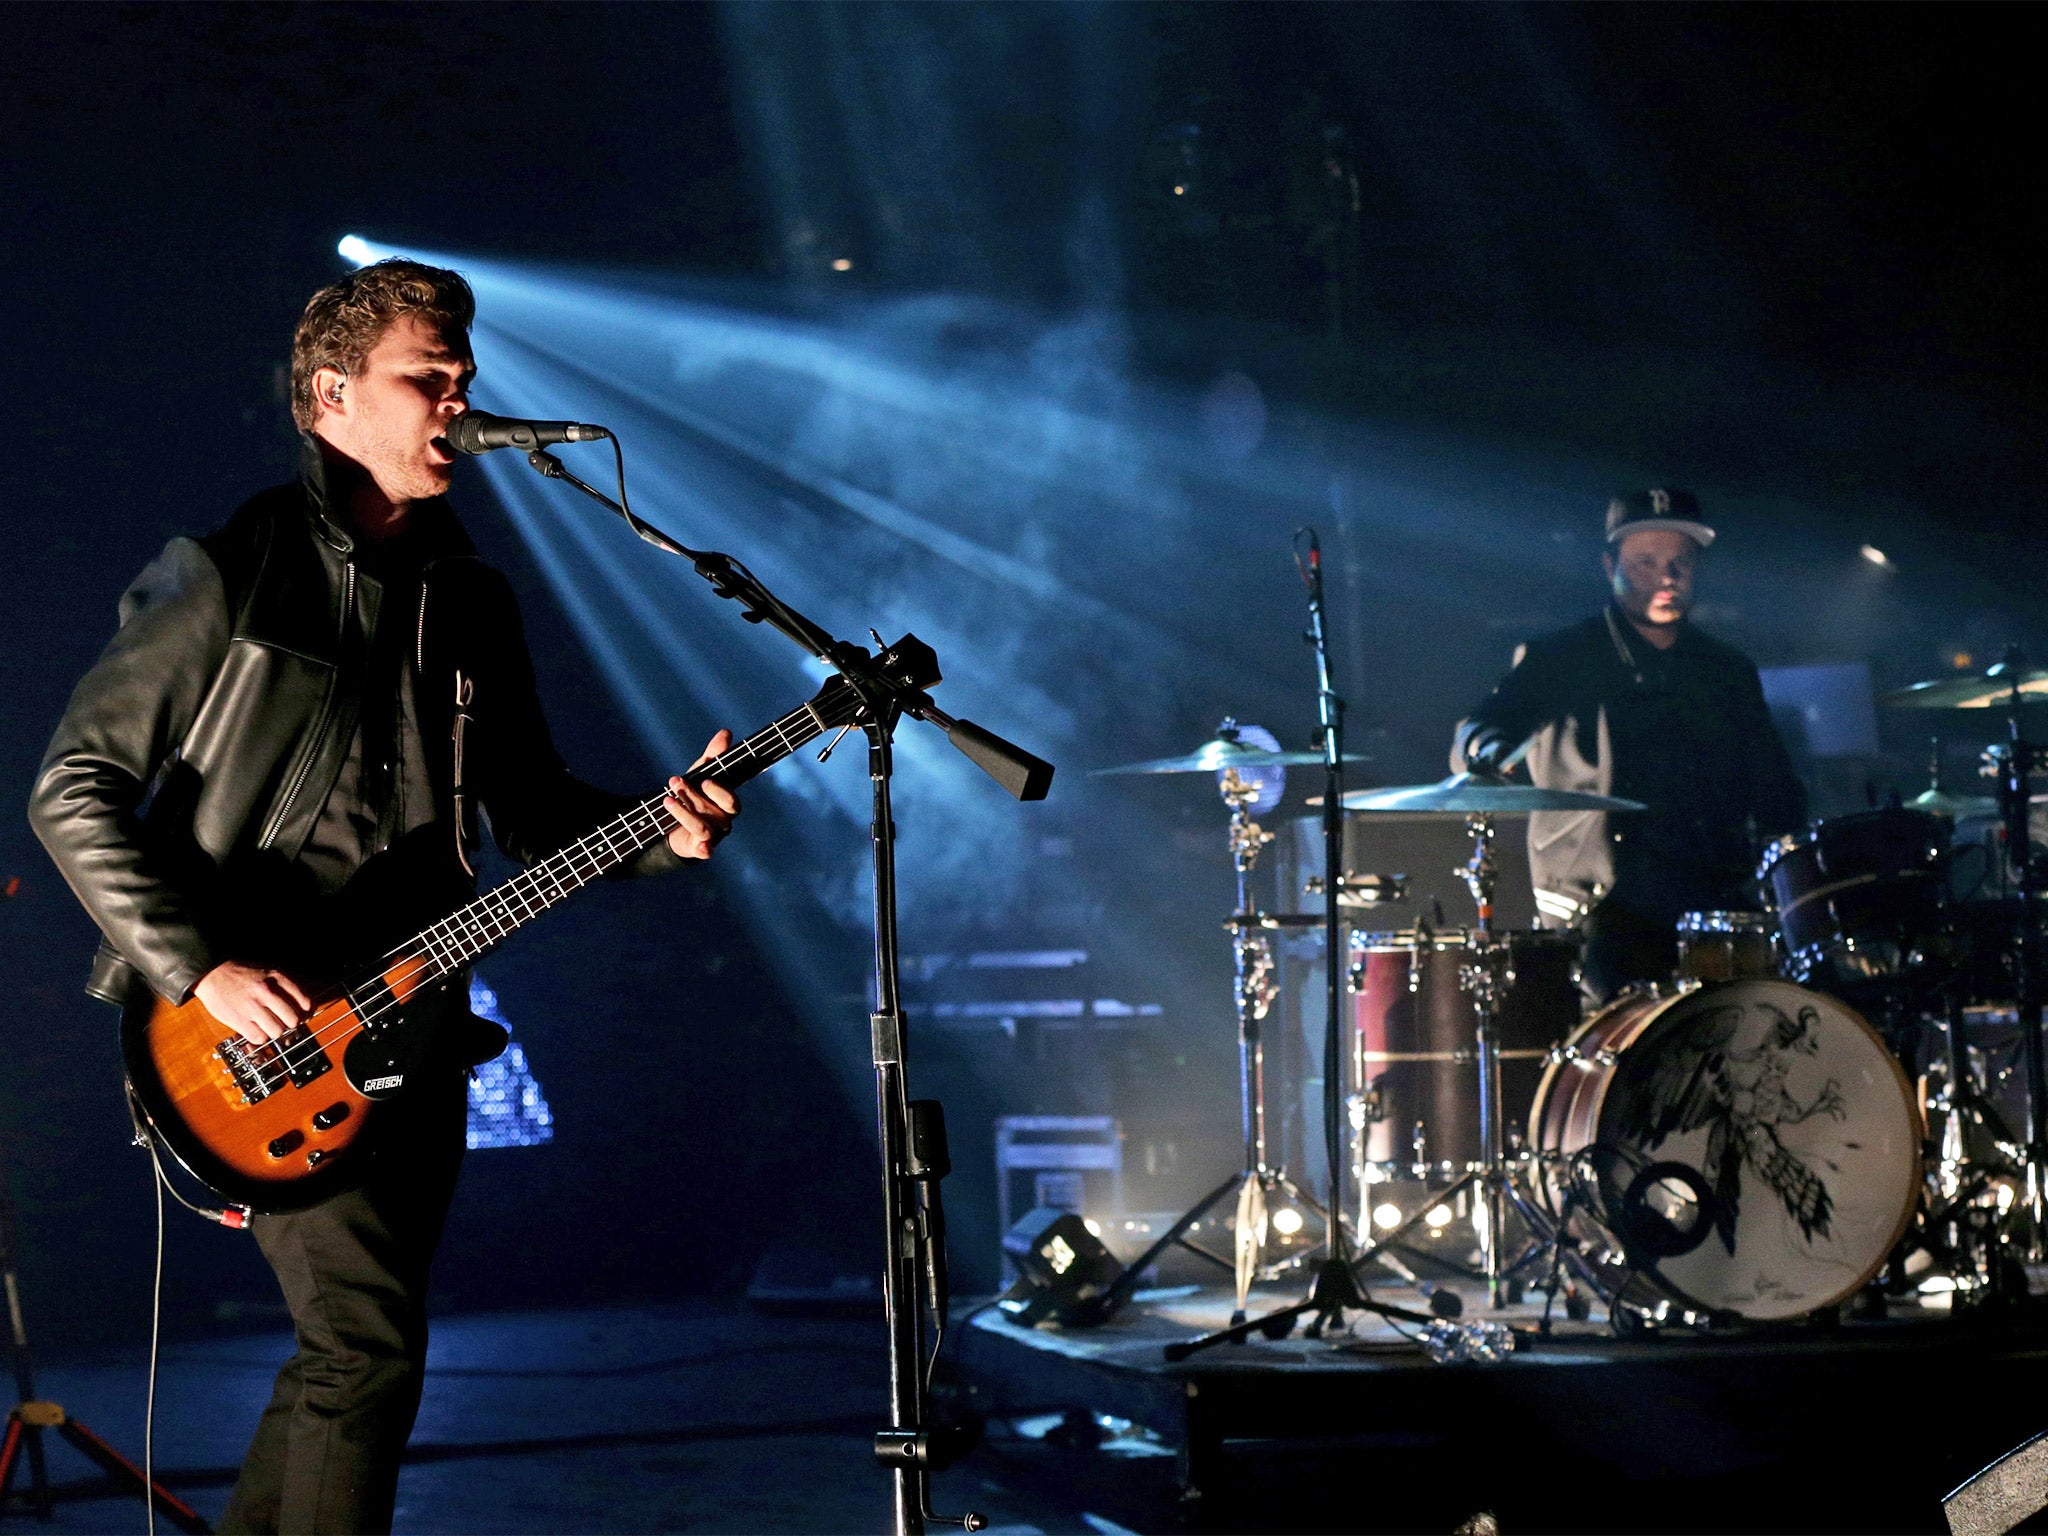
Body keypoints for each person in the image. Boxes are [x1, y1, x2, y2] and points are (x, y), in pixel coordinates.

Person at [28, 259, 739, 1534]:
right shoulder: (230, 573)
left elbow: (533, 815)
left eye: (463, 376)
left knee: (345, 1358)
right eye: (429, 375)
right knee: (367, 1349)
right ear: (330, 396)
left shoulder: (470, 597)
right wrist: (203, 968)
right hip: (256, 1034)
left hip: (412, 1017)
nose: (458, 398)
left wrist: (661, 835)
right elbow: (70, 790)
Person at [1451, 488, 1807, 1001]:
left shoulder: (1727, 671)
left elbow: (1777, 794)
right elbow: (1480, 727)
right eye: (1646, 563)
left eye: (1680, 562)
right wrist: (1489, 754)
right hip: (1594, 909)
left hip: (1709, 904)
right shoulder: (1561, 658)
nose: (1667, 577)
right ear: (1608, 565)